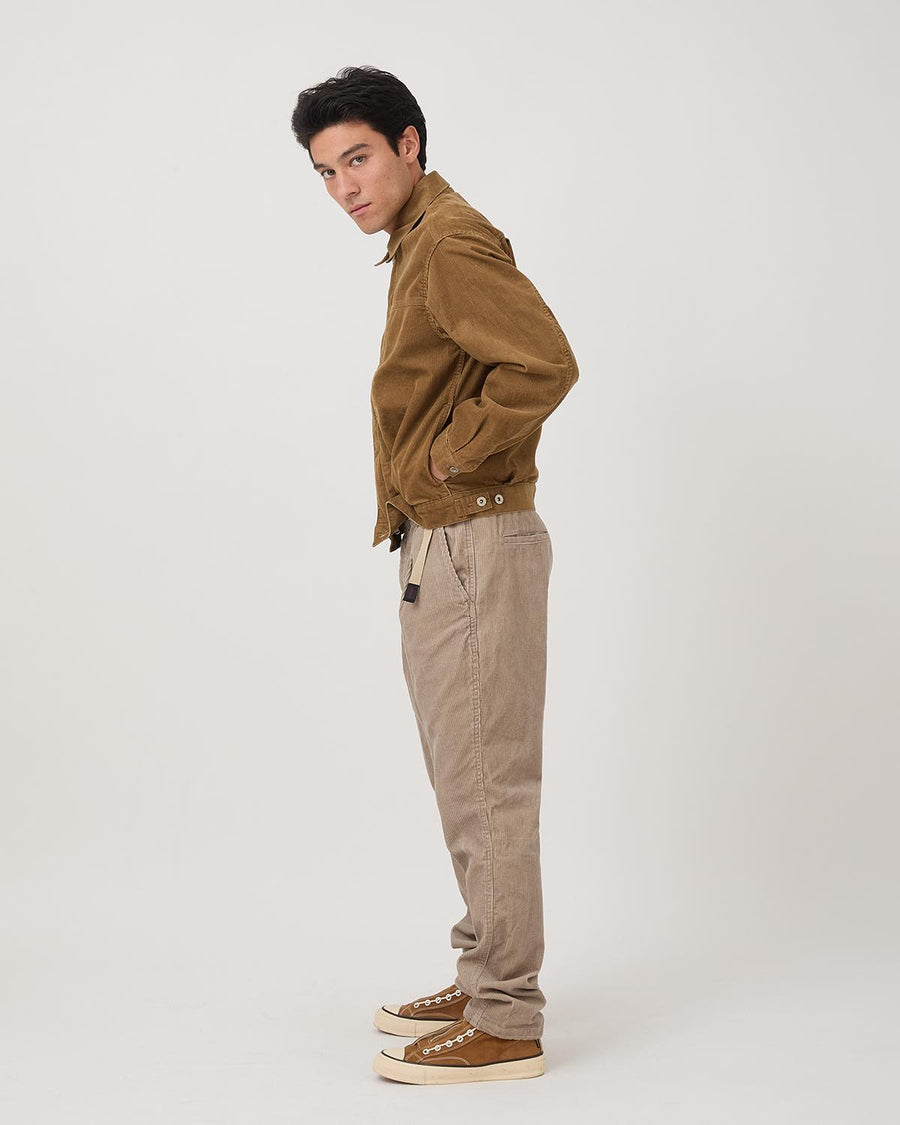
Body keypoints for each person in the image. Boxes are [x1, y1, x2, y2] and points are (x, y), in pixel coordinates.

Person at [291, 65, 579, 1085]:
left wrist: (449, 460)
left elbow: (542, 363)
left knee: (489, 780)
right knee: (467, 776)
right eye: (327, 172)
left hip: (474, 538)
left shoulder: (449, 241)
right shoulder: (419, 240)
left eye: (358, 158)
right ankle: (484, 971)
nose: (345, 187)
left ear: (409, 144)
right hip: (447, 542)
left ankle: (506, 1016)